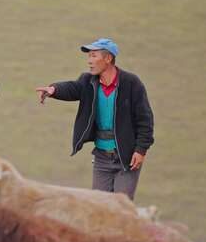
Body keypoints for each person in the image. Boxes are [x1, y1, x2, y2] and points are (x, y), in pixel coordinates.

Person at [35, 38, 154, 200]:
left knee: (120, 208)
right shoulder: (88, 81)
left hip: (126, 158)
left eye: (93, 56)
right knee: (99, 206)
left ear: (108, 58)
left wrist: (141, 150)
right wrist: (53, 89)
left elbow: (145, 120)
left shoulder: (131, 83)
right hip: (101, 158)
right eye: (89, 57)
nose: (89, 61)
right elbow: (72, 88)